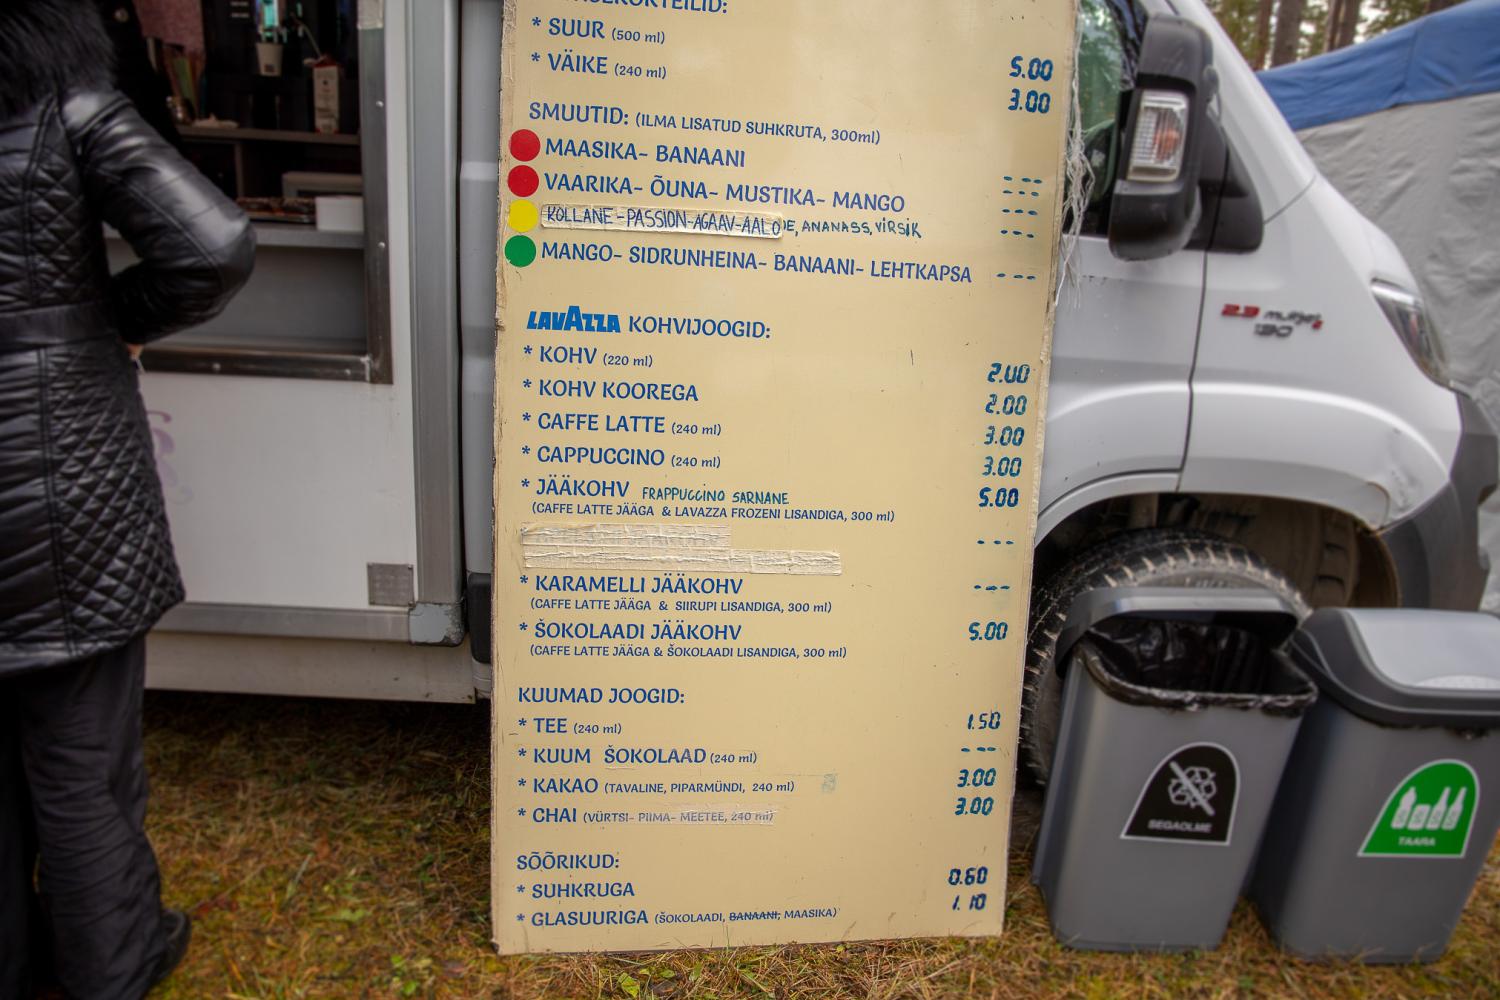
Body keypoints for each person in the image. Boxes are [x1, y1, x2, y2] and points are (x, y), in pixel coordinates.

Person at [0, 1, 255, 996]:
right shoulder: (64, 100)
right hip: (54, 484)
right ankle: (112, 967)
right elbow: (214, 244)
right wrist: (102, 322)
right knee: (82, 764)